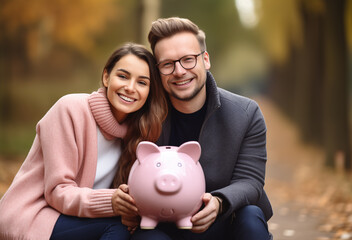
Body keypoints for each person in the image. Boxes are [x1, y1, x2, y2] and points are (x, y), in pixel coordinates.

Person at [0, 43, 167, 240]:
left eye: (142, 82)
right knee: (116, 228)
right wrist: (112, 202)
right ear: (106, 77)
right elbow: (57, 192)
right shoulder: (70, 109)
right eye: (122, 76)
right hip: (37, 215)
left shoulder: (139, 132)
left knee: (155, 236)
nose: (130, 88)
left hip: (90, 219)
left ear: (149, 92)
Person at [129, 17, 273, 240]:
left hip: (225, 221)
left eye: (188, 59)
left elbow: (250, 182)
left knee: (251, 215)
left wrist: (218, 202)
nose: (179, 71)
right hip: (161, 226)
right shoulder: (142, 114)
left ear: (205, 60)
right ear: (158, 71)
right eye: (167, 64)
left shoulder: (246, 113)